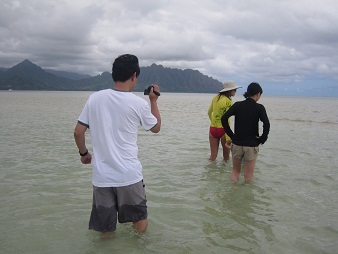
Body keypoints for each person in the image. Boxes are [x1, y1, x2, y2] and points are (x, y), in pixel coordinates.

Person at [73, 54, 161, 235]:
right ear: (134, 76)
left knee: (105, 227)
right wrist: (153, 101)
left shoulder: (94, 98)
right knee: (139, 219)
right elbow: (156, 128)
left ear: (114, 74)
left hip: (102, 177)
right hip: (128, 175)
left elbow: (78, 132)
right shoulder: (138, 103)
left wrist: (84, 154)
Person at [221, 82, 270, 183]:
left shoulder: (238, 105)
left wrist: (231, 135)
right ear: (258, 94)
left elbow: (224, 118)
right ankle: (246, 197)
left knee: (235, 172)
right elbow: (266, 124)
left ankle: (232, 194)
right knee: (248, 175)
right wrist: (262, 139)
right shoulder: (259, 107)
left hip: (237, 143)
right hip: (251, 145)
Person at [208, 81, 241, 161]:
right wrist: (228, 135)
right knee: (226, 158)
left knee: (213, 157)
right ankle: (225, 173)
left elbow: (209, 112)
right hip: (223, 130)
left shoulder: (215, 98)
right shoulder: (228, 101)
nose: (235, 92)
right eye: (235, 90)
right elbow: (226, 119)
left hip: (212, 129)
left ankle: (210, 173)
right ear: (230, 90)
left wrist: (214, 122)